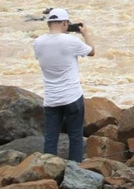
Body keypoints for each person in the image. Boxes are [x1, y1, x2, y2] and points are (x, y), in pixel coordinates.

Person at [33, 8, 95, 163]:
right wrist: (85, 33)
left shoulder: (38, 42)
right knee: (75, 137)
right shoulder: (71, 41)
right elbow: (92, 52)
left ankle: (49, 171)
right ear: (65, 23)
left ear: (49, 24)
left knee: (51, 138)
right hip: (72, 97)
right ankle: (75, 170)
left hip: (51, 99)